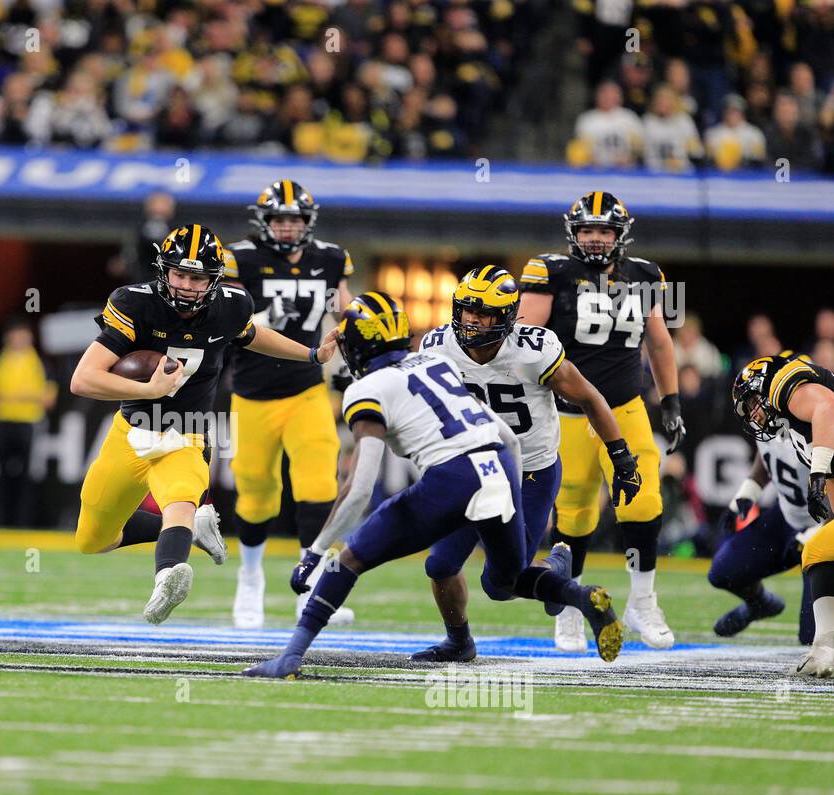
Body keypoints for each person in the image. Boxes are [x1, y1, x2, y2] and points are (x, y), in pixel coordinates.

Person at [242, 291, 623, 679]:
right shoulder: (433, 364)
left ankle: (289, 657)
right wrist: (509, 488)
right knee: (502, 582)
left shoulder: (365, 390)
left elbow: (359, 489)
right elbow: (504, 436)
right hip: (499, 466)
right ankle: (578, 594)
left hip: (455, 478)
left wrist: (316, 552)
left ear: (356, 348)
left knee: (348, 560)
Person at [69, 223, 339, 624]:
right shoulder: (134, 303)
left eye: (197, 277)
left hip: (187, 429)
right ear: (163, 271)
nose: (187, 285)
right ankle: (192, 530)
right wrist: (149, 388)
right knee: (92, 540)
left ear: (214, 279)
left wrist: (312, 354)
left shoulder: (230, 305)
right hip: (132, 429)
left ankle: (167, 575)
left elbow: (251, 335)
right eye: (179, 274)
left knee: (180, 498)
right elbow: (82, 379)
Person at [419, 267, 642, 658]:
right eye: (467, 308)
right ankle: (459, 642)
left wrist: (622, 458)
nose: (472, 319)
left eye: (484, 311)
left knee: (500, 584)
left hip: (529, 473)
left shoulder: (533, 351)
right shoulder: (437, 347)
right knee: (439, 564)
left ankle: (561, 571)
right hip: (471, 470)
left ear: (507, 315)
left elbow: (590, 398)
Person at [519, 191, 682, 650]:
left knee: (643, 500)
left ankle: (643, 601)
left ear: (619, 235)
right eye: (587, 230)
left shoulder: (645, 275)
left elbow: (660, 342)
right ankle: (572, 605)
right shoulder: (552, 271)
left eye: (603, 230)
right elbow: (526, 340)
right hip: (566, 411)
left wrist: (670, 399)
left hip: (625, 407)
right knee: (573, 512)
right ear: (573, 233)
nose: (594, 238)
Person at [223, 180, 355, 629]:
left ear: (307, 223)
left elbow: (347, 312)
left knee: (318, 483)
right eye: (278, 219)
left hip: (307, 388)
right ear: (263, 222)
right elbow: (223, 314)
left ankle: (312, 580)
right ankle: (250, 575)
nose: (285, 227)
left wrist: (362, 335)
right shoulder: (240, 258)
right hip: (252, 393)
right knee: (256, 494)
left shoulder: (330, 259)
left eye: (293, 219)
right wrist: (259, 319)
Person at [731, 353, 834, 677]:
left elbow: (826, 407)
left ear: (761, 388)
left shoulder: (782, 383)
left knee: (818, 550)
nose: (753, 416)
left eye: (751, 405)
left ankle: (825, 649)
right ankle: (825, 648)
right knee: (821, 550)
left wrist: (817, 476)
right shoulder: (795, 434)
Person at [711, 428, 815, 643]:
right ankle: (760, 604)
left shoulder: (818, 414)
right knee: (724, 571)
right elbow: (773, 447)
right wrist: (750, 490)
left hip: (824, 529)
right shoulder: (770, 413)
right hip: (787, 517)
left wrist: (821, 531)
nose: (754, 409)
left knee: (813, 638)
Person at [0, 321, 56, 528]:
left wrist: (8, 397)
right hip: (3, 423)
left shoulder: (41, 363)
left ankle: (23, 522)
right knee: (0, 474)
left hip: (28, 425)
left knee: (27, 476)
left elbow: (49, 399)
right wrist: (27, 397)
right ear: (8, 338)